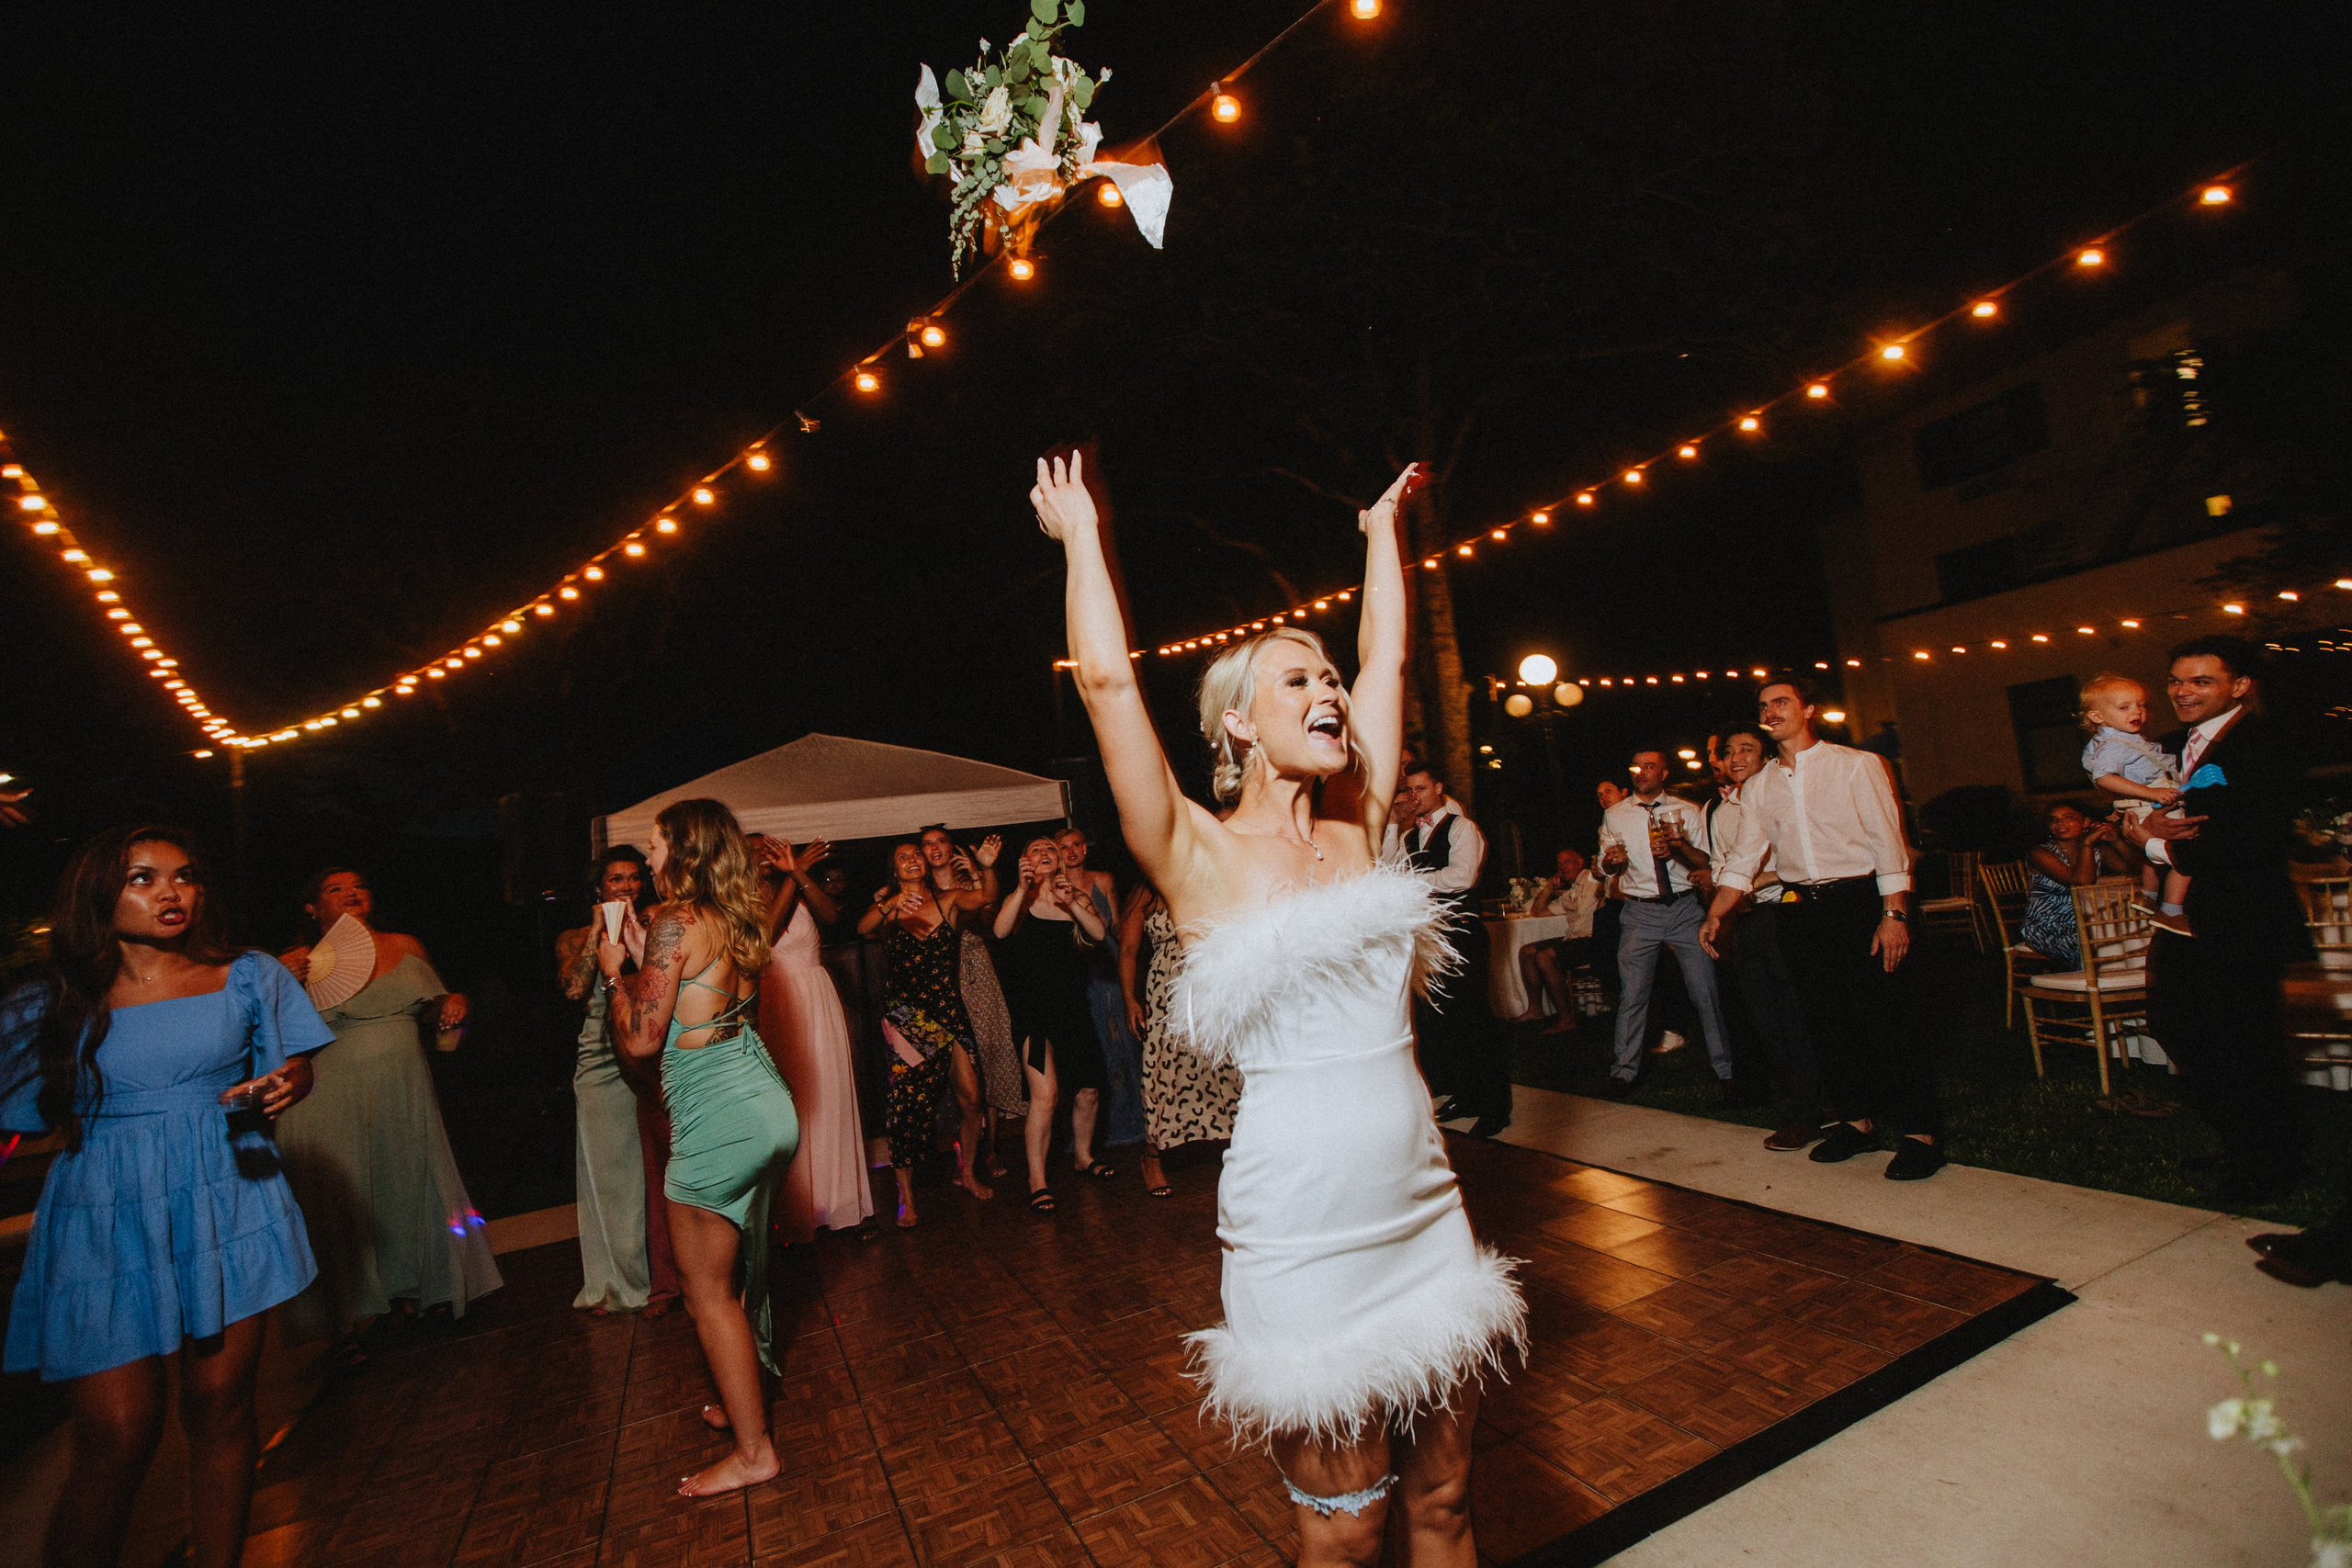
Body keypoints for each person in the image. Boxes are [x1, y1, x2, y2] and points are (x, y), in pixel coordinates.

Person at [1035, 452, 1521, 1565]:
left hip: (1422, 1205)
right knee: (1341, 1533)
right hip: (1300, 1227)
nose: (1329, 693)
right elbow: (1109, 688)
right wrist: (1080, 540)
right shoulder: (1192, 853)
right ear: (1240, 727)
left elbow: (1386, 653)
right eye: (1295, 681)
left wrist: (1378, 532)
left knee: (1446, 1505)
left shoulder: (1361, 828)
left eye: (1325, 680)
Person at [2, 827, 327, 1568]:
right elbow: (16, 1113)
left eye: (184, 876)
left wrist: (287, 1081)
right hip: (103, 1210)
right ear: (96, 893)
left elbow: (296, 1064)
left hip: (227, 1190)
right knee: (118, 1433)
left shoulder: (247, 974)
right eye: (143, 878)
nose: (171, 892)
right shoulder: (47, 997)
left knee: (219, 1406)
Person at [595, 798, 797, 1498]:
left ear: (682, 851)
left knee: (704, 1292)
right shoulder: (739, 914)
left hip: (718, 1116)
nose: (646, 863)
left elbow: (642, 1038)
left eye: (653, 849)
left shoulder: (676, 922)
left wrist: (613, 971)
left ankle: (753, 1450)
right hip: (765, 1102)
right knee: (738, 1271)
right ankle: (742, 1402)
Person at [1702, 673, 1943, 1179]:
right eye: (1764, 705)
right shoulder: (1761, 785)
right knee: (1826, 1023)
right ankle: (1858, 1122)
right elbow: (1745, 859)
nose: (1770, 712)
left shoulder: (1857, 766)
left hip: (1860, 903)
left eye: (1781, 702)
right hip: (1799, 909)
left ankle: (1921, 1134)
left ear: (1808, 709)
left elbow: (1888, 846)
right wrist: (1717, 912)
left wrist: (1894, 915)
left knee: (1887, 1020)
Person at [2121, 637, 2313, 1203]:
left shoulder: (2264, 742)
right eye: (2177, 680)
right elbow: (2150, 813)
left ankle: (2272, 1164)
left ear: (2239, 686)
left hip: (2243, 919)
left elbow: (2249, 838)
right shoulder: (2171, 747)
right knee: (2179, 1026)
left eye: (2201, 681)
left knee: (2245, 1043)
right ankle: (2244, 1141)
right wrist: (2138, 831)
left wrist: (2155, 847)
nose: (2183, 691)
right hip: (2185, 921)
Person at [276, 868, 503, 1340]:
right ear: (312, 908)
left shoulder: (406, 946)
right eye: (334, 889)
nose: (350, 893)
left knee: (410, 1180)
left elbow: (436, 1018)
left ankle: (424, 1289)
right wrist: (280, 980)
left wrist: (454, 1004)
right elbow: (267, 1036)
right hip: (331, 1089)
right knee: (351, 1190)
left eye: (357, 885)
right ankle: (352, 1318)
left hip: (402, 1081)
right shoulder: (297, 963)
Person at [556, 845, 674, 1314]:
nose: (626, 886)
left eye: (632, 878)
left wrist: (635, 930)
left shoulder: (658, 923)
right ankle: (620, 1282)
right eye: (615, 880)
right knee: (612, 1176)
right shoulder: (572, 936)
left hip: (648, 1051)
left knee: (656, 1169)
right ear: (597, 888)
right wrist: (598, 933)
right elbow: (573, 989)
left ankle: (666, 1279)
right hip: (600, 1058)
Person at [857, 841, 995, 1224]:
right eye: (903, 856)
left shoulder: (948, 899)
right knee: (909, 1107)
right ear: (895, 868)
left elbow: (986, 896)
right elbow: (862, 927)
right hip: (909, 1018)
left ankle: (966, 1172)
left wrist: (985, 866)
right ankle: (906, 1195)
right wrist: (890, 904)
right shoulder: (888, 908)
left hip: (949, 1011)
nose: (913, 859)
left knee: (972, 1098)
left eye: (917, 854)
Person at [751, 836, 875, 1242]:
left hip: (820, 995)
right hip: (780, 1000)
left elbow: (831, 914)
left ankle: (842, 1203)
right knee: (797, 1105)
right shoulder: (742, 900)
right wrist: (790, 876)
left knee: (832, 1095)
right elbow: (766, 934)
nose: (765, 857)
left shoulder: (799, 887)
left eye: (770, 849)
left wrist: (799, 872)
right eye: (756, 852)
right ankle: (801, 1209)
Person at [1597, 750, 1736, 1099]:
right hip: (1640, 912)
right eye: (1636, 767)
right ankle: (1623, 1073)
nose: (1641, 772)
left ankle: (1727, 1072)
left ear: (1664, 773)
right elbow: (1604, 867)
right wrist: (1613, 863)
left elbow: (1706, 861)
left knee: (1705, 991)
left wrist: (1677, 848)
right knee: (1633, 995)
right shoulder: (1614, 815)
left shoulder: (1688, 812)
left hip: (1685, 909)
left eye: (1649, 766)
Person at [1713, 727, 1826, 1148]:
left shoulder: (1780, 797)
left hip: (1787, 911)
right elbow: (1727, 865)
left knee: (1795, 1016)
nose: (1736, 757)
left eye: (1747, 749)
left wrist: (1756, 881)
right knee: (1763, 1020)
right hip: (1748, 921)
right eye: (1729, 750)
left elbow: (1804, 858)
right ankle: (1806, 1099)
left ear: (1765, 758)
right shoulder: (1723, 812)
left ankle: (1807, 1113)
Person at [994, 836, 1113, 1211]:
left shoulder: (1073, 898)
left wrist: (1069, 901)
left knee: (1089, 1091)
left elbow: (1098, 933)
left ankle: (1083, 1155)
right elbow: (999, 932)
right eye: (1035, 850)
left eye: (1050, 849)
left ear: (1059, 859)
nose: (1044, 854)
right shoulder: (1021, 901)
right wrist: (1020, 887)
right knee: (1045, 1097)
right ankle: (1037, 1179)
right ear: (1025, 861)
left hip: (1072, 1011)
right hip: (1035, 1018)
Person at [1396, 761, 1510, 1138]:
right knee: (1443, 1023)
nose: (1415, 796)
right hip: (1428, 938)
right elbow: (1387, 873)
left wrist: (1413, 883)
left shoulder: (1463, 828)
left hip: (1461, 932)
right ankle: (1466, 1093)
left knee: (1475, 1019)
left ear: (1439, 788)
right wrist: (1395, 824)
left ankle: (1496, 1106)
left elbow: (1463, 877)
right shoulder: (1409, 836)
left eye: (1421, 788)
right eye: (1409, 790)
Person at [1119, 878, 1242, 1198]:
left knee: (1222, 1065)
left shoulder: (1200, 877)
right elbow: (1129, 950)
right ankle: (1152, 1158)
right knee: (1163, 1068)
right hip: (1166, 989)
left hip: (1210, 978)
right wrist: (1130, 1000)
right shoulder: (1144, 892)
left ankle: (1239, 1148)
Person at [920, 825, 1022, 1170]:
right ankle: (964, 1155)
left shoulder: (971, 884)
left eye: (941, 841)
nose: (935, 847)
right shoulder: (920, 891)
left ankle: (990, 1149)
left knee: (989, 1057)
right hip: (942, 979)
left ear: (952, 848)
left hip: (978, 970)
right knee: (958, 1070)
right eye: (927, 843)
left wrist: (981, 874)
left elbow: (991, 916)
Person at [2079, 673, 2193, 935]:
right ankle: (2172, 911)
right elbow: (2105, 778)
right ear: (2097, 716)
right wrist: (2151, 794)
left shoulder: (2112, 740)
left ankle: (2149, 897)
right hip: (2150, 799)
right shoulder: (2115, 746)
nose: (2138, 712)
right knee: (2185, 856)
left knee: (2152, 855)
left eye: (2141, 705)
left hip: (2141, 802)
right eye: (2124, 707)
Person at [1059, 826, 1148, 1149]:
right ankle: (1096, 1130)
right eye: (1064, 847)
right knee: (1096, 1043)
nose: (1071, 851)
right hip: (1078, 966)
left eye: (1076, 845)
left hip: (1107, 961)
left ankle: (1136, 1122)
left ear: (1085, 849)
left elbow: (1118, 927)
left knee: (1123, 1042)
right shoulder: (1054, 887)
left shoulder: (1105, 879)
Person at [2018, 802, 2138, 967]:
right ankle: (2095, 985)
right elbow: (2081, 882)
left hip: (2089, 921)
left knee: (2130, 933)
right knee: (2099, 942)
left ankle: (2123, 984)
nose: (2060, 824)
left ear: (2086, 822)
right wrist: (2087, 843)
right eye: (2053, 820)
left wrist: (2116, 840)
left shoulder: (2097, 850)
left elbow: (2134, 868)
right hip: (2050, 927)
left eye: (2069, 818)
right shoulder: (2040, 853)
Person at [1510, 848, 1599, 1033]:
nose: (1563, 867)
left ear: (1580, 862)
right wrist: (1549, 887)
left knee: (1545, 957)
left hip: (1593, 939)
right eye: (1559, 863)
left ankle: (1567, 1018)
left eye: (1567, 861)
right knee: (1527, 951)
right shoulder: (1569, 893)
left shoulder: (1593, 879)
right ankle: (1535, 1010)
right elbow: (1538, 911)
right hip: (1573, 940)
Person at [1589, 778, 1629, 1008]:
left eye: (1608, 791)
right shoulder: (1605, 824)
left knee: (1630, 963)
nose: (1603, 797)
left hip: (1630, 901)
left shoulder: (1631, 818)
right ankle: (1618, 1009)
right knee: (1605, 963)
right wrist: (1599, 871)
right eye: (1599, 794)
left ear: (1624, 792)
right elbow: (1606, 869)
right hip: (1611, 901)